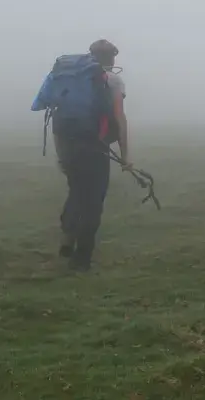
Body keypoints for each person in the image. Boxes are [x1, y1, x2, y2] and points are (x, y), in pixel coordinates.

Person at [52, 39, 132, 271]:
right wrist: (125, 156)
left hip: (67, 144)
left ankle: (68, 234)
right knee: (93, 200)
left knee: (76, 189)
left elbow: (57, 116)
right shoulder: (113, 81)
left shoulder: (69, 78)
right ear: (112, 58)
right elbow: (119, 118)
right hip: (95, 147)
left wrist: (60, 154)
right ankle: (81, 259)